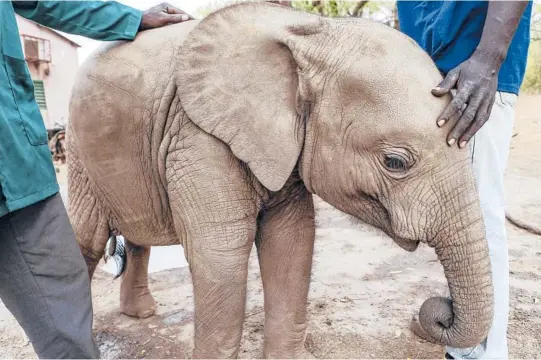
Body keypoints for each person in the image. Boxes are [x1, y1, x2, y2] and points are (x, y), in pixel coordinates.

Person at [0, 1, 191, 358]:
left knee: (65, 305)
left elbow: (50, 2)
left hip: (17, 170)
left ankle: (132, 291)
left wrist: (131, 20)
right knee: (86, 245)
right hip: (22, 166)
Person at [396, 1, 533, 359]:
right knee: (451, 223)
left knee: (474, 222)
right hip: (426, 71)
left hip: (471, 73)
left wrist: (488, 59)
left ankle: (482, 353)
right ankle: (465, 337)